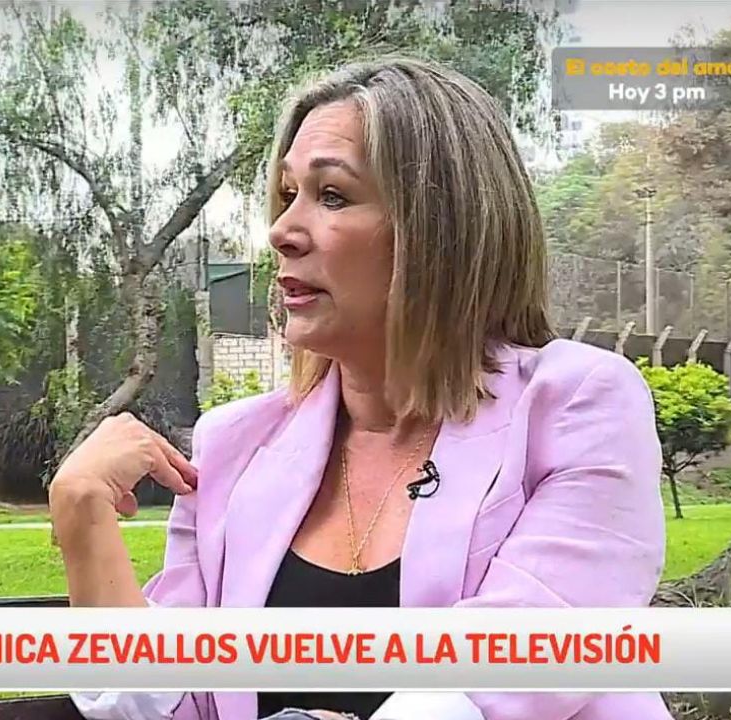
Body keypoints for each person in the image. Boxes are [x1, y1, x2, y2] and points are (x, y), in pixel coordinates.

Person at [48, 57, 671, 720]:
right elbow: (176, 704)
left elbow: (511, 674)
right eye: (287, 194)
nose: (282, 232)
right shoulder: (231, 447)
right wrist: (84, 519)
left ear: (441, 229)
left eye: (333, 196)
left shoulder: (577, 407)